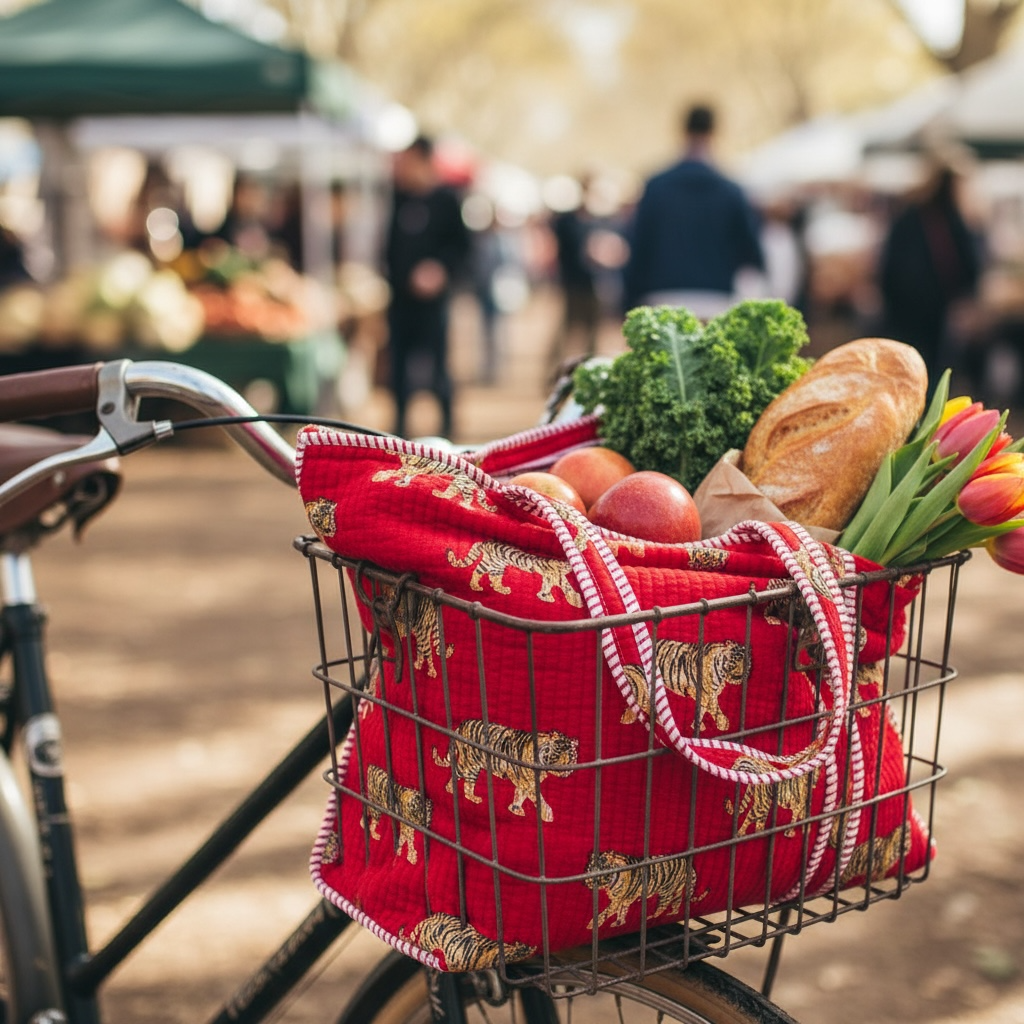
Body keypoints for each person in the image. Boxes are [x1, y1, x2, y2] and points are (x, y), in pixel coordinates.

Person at [621, 103, 766, 318]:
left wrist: (627, 301)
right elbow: (751, 252)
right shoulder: (731, 190)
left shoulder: (656, 186)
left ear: (683, 131)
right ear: (715, 132)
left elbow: (639, 245)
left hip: (661, 300)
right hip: (715, 299)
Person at [383, 136, 470, 438]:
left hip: (434, 304)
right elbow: (389, 248)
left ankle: (446, 424)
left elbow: (462, 249)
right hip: (401, 302)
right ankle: (400, 425)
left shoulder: (447, 200)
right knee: (398, 365)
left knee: (438, 365)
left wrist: (440, 271)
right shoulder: (398, 198)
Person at [878, 163, 981, 387]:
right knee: (931, 372)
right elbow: (971, 264)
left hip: (904, 313)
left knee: (904, 371)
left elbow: (887, 268)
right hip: (933, 313)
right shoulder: (952, 218)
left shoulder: (908, 216)